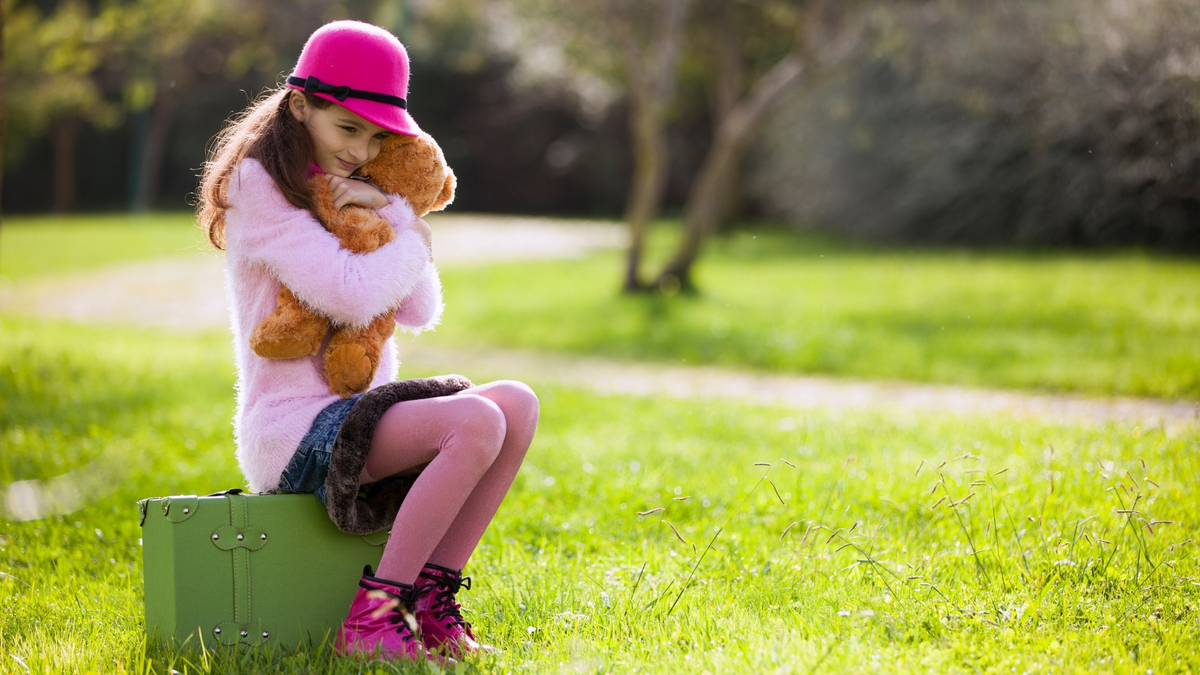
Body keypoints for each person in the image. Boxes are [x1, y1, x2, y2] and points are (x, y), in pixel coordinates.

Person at [195, 20, 538, 661]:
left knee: (515, 403)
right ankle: (374, 617)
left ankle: (432, 602)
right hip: (294, 433)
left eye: (375, 136)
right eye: (346, 128)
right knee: (472, 423)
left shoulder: (355, 190)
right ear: (300, 106)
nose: (359, 149)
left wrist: (389, 213)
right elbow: (350, 294)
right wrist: (412, 235)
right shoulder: (258, 187)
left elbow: (417, 307)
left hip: (359, 416)